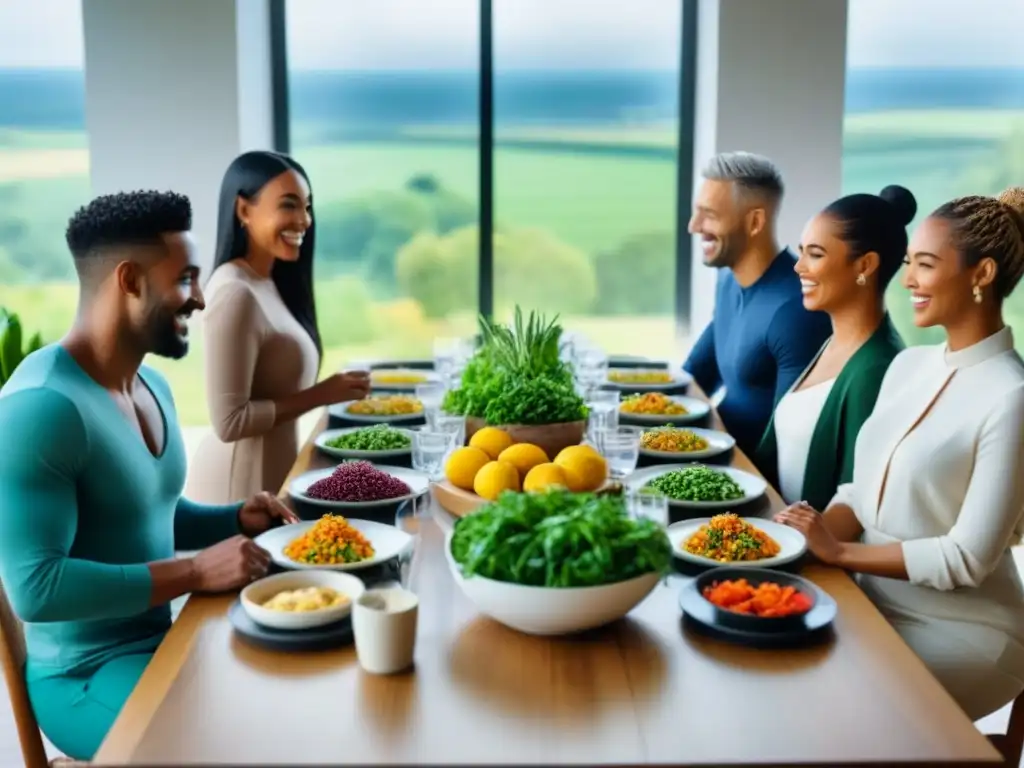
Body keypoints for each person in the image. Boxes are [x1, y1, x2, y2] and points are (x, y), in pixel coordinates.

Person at [0, 190, 299, 761]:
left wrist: (236, 518)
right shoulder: (40, 408)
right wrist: (193, 571)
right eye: (185, 279)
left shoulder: (150, 385)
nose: (202, 299)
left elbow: (150, 513)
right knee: (244, 746)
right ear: (130, 281)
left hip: (164, 643)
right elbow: (36, 588)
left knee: (294, 699)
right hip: (85, 678)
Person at [776, 187, 1024, 722]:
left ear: (981, 275)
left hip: (967, 632)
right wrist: (797, 542)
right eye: (909, 263)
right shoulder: (908, 366)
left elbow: (967, 558)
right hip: (869, 601)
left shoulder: (1013, 397)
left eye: (926, 265)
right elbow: (857, 494)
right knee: (769, 666)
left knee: (827, 708)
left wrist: (837, 554)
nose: (908, 279)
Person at [185, 150, 370, 503]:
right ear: (243, 210)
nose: (304, 220)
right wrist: (324, 394)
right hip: (237, 489)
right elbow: (229, 422)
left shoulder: (269, 281)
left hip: (273, 479)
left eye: (307, 206)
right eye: (288, 205)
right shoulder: (234, 292)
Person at [755, 186, 914, 509]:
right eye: (801, 252)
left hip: (807, 554)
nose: (798, 267)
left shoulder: (877, 368)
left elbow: (854, 502)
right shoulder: (834, 343)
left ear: (865, 265)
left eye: (815, 254)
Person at [684, 151, 832, 457]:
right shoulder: (728, 283)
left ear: (754, 222)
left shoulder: (796, 310)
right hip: (716, 456)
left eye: (708, 214)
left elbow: (788, 444)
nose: (694, 226)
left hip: (751, 487)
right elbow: (693, 379)